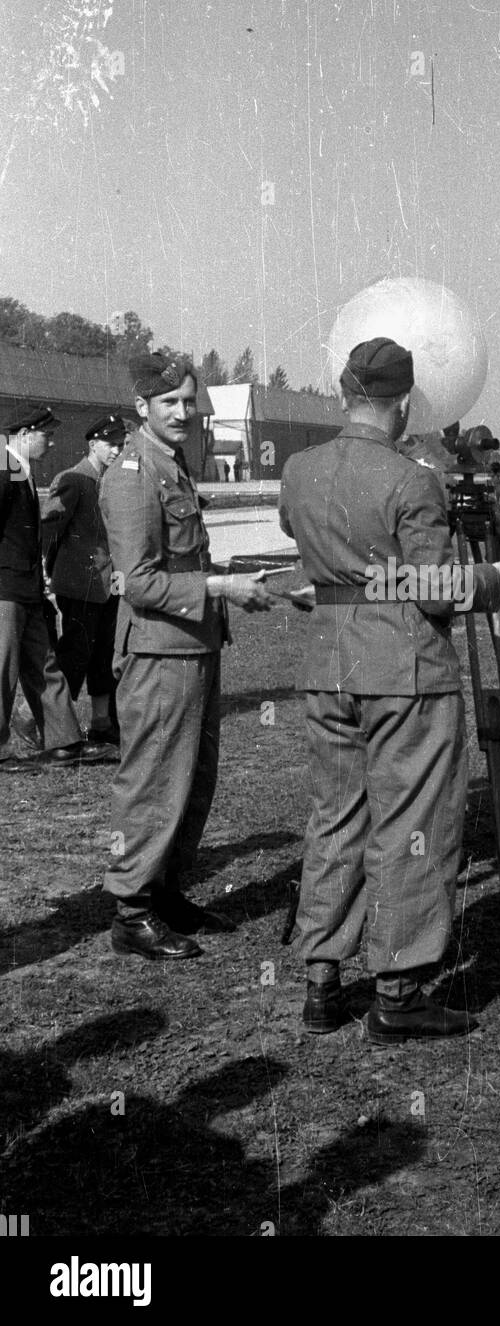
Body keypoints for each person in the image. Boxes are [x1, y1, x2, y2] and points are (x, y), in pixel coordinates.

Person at [279, 337, 500, 1044]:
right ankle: (400, 989)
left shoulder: (298, 468)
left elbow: (301, 535)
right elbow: (436, 591)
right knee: (412, 825)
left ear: (346, 392)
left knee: (336, 816)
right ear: (405, 401)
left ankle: (322, 978)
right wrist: (493, 577)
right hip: (403, 669)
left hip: (328, 665)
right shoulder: (412, 480)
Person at [99, 353, 274, 962]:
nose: (182, 412)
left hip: (193, 645)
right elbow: (139, 582)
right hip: (156, 653)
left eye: (188, 400)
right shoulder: (131, 473)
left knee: (193, 779)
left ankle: (167, 891)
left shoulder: (172, 466)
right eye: (168, 402)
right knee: (153, 779)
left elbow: (181, 563)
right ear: (141, 407)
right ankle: (131, 911)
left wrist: (225, 576)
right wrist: (222, 588)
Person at [0, 406, 112, 773]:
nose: (51, 442)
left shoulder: (17, 467)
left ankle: (64, 743)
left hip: (26, 589)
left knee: (45, 665)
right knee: (3, 668)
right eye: (46, 435)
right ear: (24, 433)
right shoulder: (3, 466)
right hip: (6, 590)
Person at [41, 414, 127, 747]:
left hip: (109, 587)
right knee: (76, 655)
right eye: (111, 445)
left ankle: (103, 723)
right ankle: (34, 718)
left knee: (105, 655)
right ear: (93, 445)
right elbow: (50, 530)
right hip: (80, 585)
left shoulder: (113, 480)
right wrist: (46, 573)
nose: (117, 451)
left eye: (120, 444)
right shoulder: (74, 479)